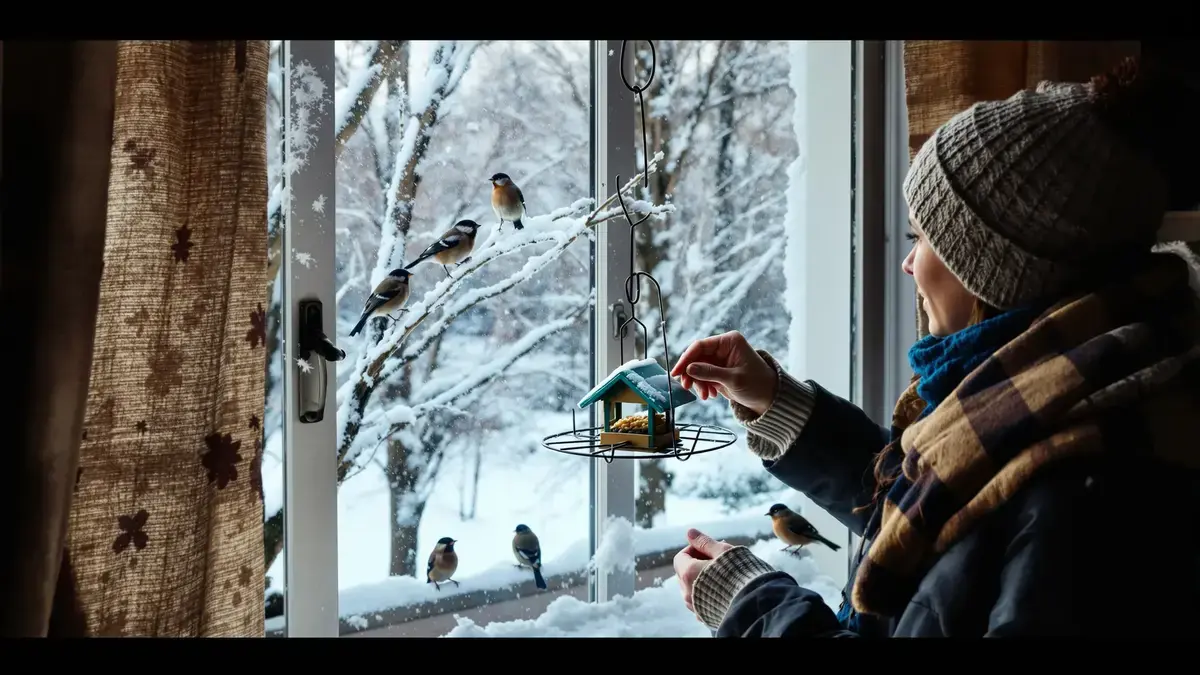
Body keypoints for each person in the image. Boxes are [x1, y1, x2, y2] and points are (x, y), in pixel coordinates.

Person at [670, 55, 1200, 637]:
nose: (907, 262)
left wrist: (752, 604)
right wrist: (778, 402)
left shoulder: (1076, 502)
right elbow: (930, 511)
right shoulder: (1063, 399)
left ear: (995, 272)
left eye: (924, 236)